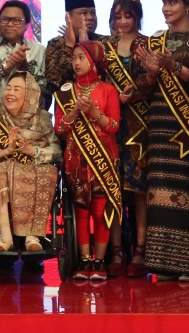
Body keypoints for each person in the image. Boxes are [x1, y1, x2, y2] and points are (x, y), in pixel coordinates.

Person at [135, 0, 189, 281]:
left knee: (188, 194)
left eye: (172, 2)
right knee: (159, 194)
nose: (166, 8)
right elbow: (140, 90)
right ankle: (163, 265)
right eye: (164, 2)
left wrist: (173, 67)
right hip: (160, 125)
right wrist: (152, 75)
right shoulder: (155, 41)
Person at [54, 41, 121, 280]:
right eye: (74, 58)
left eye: (82, 57)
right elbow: (60, 128)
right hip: (77, 158)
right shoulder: (64, 92)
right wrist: (73, 112)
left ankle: (99, 262)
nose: (76, 62)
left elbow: (113, 126)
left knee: (100, 209)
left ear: (94, 61)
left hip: (103, 156)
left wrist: (94, 113)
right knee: (81, 209)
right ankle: (83, 260)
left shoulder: (107, 90)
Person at [0, 71, 61, 251]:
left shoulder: (42, 119)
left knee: (49, 172)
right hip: (3, 169)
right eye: (8, 88)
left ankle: (32, 237)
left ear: (29, 94)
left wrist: (33, 151)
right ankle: (6, 238)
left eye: (17, 89)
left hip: (35, 168)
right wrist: (6, 151)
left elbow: (56, 151)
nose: (10, 93)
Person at [98, 0, 149, 278]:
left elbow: (155, 82)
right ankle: (117, 248)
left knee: (140, 188)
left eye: (127, 15)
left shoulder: (147, 44)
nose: (122, 21)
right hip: (112, 125)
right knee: (112, 187)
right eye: (117, 16)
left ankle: (141, 247)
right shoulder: (106, 47)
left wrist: (137, 90)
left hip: (140, 123)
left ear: (137, 16)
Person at [0, 0, 46, 113]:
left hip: (29, 121)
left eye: (16, 20)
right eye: (5, 19)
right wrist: (5, 67)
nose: (10, 24)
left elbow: (45, 88)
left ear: (27, 25)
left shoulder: (40, 50)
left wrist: (24, 69)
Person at [45, 0, 102, 94]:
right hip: (67, 107)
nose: (90, 17)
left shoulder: (103, 43)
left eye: (93, 13)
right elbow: (53, 83)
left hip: (99, 104)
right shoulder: (56, 44)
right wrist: (69, 46)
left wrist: (86, 47)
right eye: (83, 13)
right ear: (68, 18)